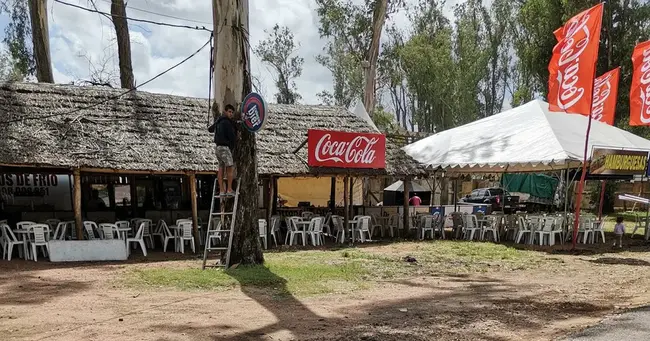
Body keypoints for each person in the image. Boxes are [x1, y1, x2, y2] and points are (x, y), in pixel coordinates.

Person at [209, 104, 237, 195]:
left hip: (217, 148)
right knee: (230, 167)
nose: (231, 114)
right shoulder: (227, 123)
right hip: (224, 148)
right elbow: (232, 137)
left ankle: (221, 190)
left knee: (221, 168)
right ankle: (229, 189)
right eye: (229, 112)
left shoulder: (218, 121)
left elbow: (210, 129)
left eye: (232, 112)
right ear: (225, 111)